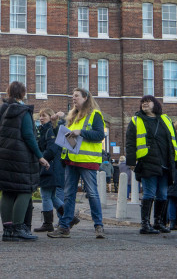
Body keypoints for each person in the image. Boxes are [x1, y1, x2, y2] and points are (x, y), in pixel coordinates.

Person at [0, 81, 49, 241]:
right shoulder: (23, 111)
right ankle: (18, 228)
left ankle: (7, 231)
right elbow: (29, 136)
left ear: (8, 93)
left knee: (7, 191)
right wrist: (39, 156)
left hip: (2, 156)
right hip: (21, 157)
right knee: (25, 190)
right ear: (23, 94)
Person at [48, 87, 107, 239]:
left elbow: (100, 134)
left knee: (92, 194)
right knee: (68, 194)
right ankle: (64, 226)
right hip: (72, 160)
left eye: (76, 96)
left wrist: (81, 132)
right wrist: (57, 126)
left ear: (86, 97)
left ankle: (98, 225)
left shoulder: (95, 115)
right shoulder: (72, 117)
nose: (73, 98)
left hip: (87, 161)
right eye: (72, 96)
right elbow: (67, 138)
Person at [125, 95, 177, 235]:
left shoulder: (166, 120)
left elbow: (174, 142)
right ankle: (145, 224)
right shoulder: (136, 120)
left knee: (162, 194)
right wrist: (131, 162)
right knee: (149, 193)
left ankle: (159, 222)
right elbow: (130, 143)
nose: (144, 104)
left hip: (165, 163)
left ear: (155, 104)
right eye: (142, 102)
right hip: (147, 162)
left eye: (148, 101)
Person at [34, 108, 64, 232]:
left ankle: (48, 223)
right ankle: (69, 217)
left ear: (51, 117)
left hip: (49, 167)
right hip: (52, 167)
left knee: (45, 195)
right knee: (52, 196)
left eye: (44, 116)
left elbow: (52, 149)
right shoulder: (46, 130)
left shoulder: (49, 130)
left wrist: (41, 158)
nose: (41, 118)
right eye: (40, 116)